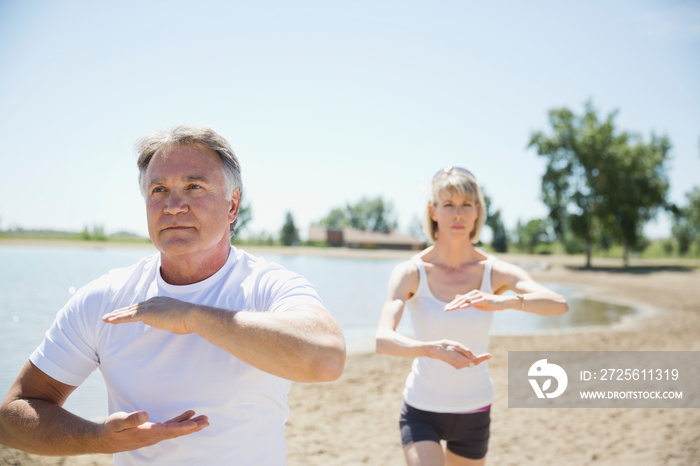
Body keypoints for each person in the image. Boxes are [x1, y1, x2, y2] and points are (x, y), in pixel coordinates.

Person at [0, 125, 346, 465]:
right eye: (159, 190)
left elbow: (327, 360)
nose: (173, 205)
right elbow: (12, 418)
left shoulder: (268, 287)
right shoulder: (105, 299)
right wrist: (97, 438)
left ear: (232, 206)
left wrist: (191, 316)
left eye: (194, 186)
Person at [375, 166, 568, 466]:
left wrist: (502, 301)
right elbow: (383, 340)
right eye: (448, 205)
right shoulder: (411, 273)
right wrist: (430, 349)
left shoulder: (495, 271)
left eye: (467, 205)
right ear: (433, 211)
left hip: (474, 409)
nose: (458, 214)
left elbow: (557, 304)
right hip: (421, 408)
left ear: (477, 211)